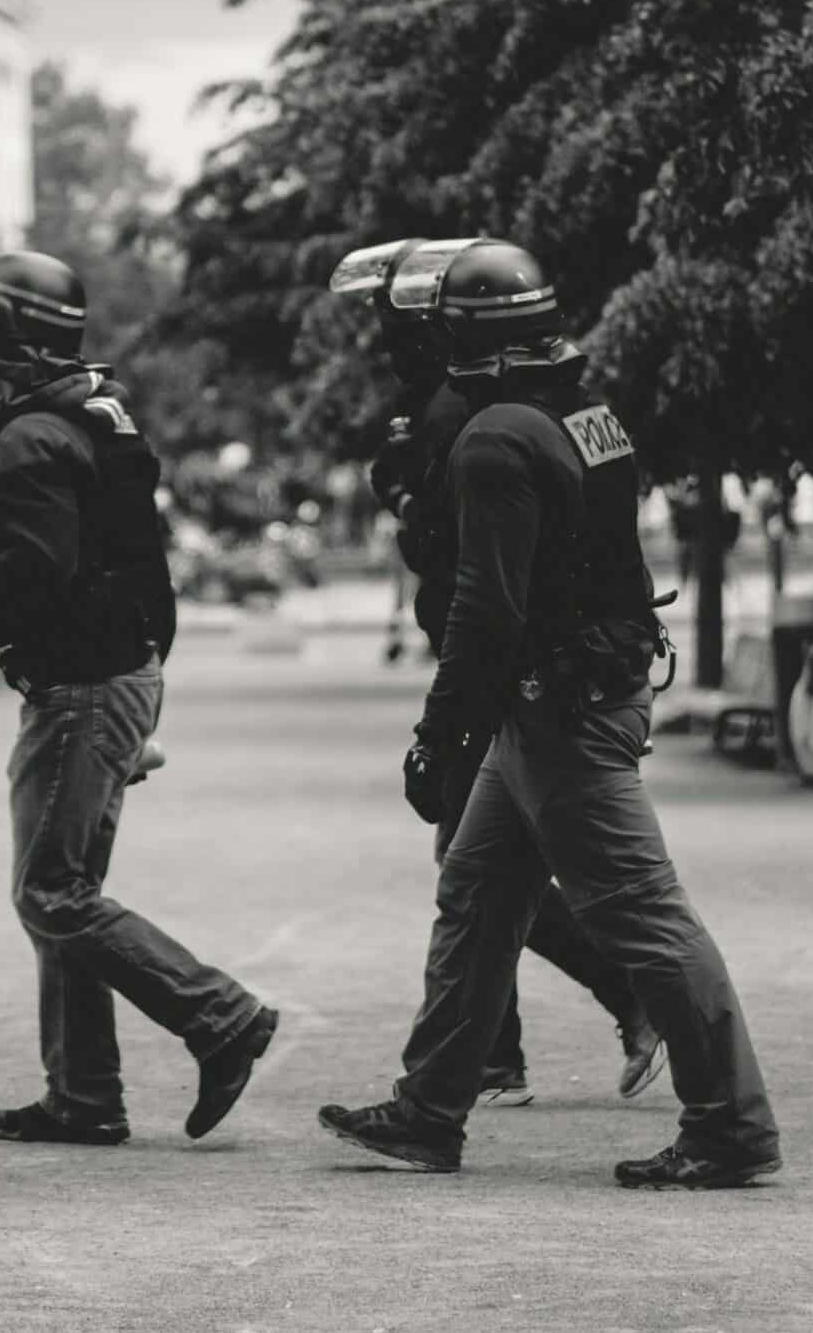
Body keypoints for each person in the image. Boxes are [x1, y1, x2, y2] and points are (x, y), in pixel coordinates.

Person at [316, 239, 782, 1190]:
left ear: (459, 335)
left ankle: (732, 1126)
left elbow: (486, 610)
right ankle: (430, 1110)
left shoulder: (493, 438)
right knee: (478, 891)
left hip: (558, 706)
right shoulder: (585, 411)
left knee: (645, 914)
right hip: (570, 692)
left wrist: (437, 735)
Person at [0, 250, 279, 1149]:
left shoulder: (33, 433)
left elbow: (40, 566)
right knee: (65, 886)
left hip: (82, 685)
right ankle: (83, 1095)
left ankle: (218, 1014)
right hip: (114, 670)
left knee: (52, 892)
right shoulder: (95, 412)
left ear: (5, 338)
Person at [327, 239, 664, 1110]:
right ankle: (477, 1067)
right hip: (549, 661)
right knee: (482, 865)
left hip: (524, 669)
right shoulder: (553, 400)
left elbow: (471, 567)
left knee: (549, 877)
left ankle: (631, 1011)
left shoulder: (472, 413)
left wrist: (441, 730)